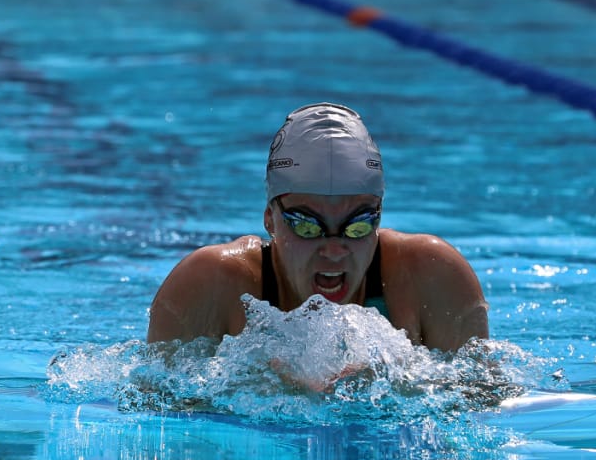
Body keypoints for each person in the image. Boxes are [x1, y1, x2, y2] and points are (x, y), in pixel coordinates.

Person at [147, 103, 489, 353]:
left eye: (357, 226)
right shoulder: (209, 285)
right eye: (307, 227)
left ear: (379, 219)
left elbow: (481, 407)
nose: (334, 249)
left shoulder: (431, 277)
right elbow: (159, 418)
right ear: (270, 219)